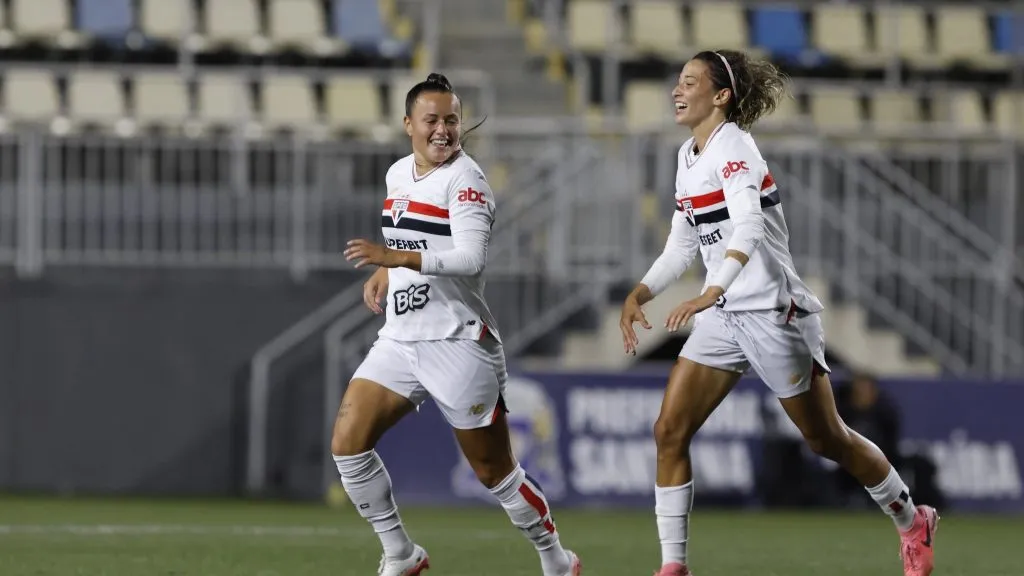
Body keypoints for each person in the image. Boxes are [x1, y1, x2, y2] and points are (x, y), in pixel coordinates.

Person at [618, 51, 939, 576]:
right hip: (724, 314)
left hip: (772, 310)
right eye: (678, 81)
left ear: (721, 96)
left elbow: (747, 225)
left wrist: (710, 289)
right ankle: (673, 567)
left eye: (690, 82)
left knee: (826, 438)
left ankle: (911, 518)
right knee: (669, 431)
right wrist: (642, 291)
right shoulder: (687, 155)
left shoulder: (736, 148)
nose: (677, 90)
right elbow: (682, 243)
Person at [335, 72, 582, 576]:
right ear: (408, 124)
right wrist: (388, 270)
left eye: (452, 120)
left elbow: (470, 259)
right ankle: (401, 554)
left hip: (458, 341)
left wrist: (396, 258)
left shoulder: (467, 181)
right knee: (348, 444)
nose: (443, 130)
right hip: (401, 337)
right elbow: (409, 235)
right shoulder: (398, 173)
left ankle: (557, 560)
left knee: (495, 473)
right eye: (432, 120)